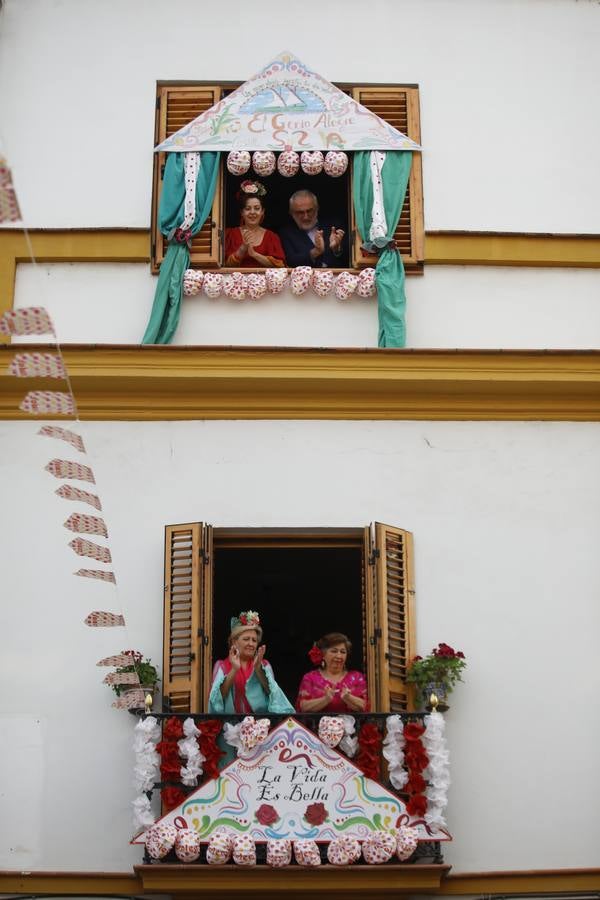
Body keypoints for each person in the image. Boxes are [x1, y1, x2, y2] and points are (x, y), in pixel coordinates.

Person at [208, 610, 294, 714]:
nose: (251, 644)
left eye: (254, 640)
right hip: (231, 725)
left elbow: (274, 696)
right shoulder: (222, 666)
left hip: (260, 725)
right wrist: (234, 669)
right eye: (246, 639)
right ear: (234, 641)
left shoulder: (264, 665)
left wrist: (258, 669)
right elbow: (216, 700)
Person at [296, 632, 368, 713]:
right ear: (323, 654)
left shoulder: (358, 677)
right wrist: (325, 699)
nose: (339, 656)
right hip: (317, 725)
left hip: (350, 725)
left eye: (343, 652)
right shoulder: (310, 677)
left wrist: (348, 698)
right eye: (334, 651)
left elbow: (366, 706)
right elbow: (303, 707)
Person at [279, 190, 347, 268]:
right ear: (291, 213)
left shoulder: (334, 225)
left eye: (309, 211)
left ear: (317, 208)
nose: (306, 217)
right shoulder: (286, 232)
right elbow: (290, 261)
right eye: (300, 212)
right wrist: (315, 252)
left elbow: (351, 257)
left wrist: (336, 249)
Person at [224, 181, 286, 268]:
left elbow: (280, 266)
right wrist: (243, 248)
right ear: (242, 212)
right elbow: (225, 266)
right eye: (248, 208)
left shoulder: (271, 237)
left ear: (262, 212)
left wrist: (254, 254)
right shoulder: (231, 234)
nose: (252, 212)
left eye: (257, 208)